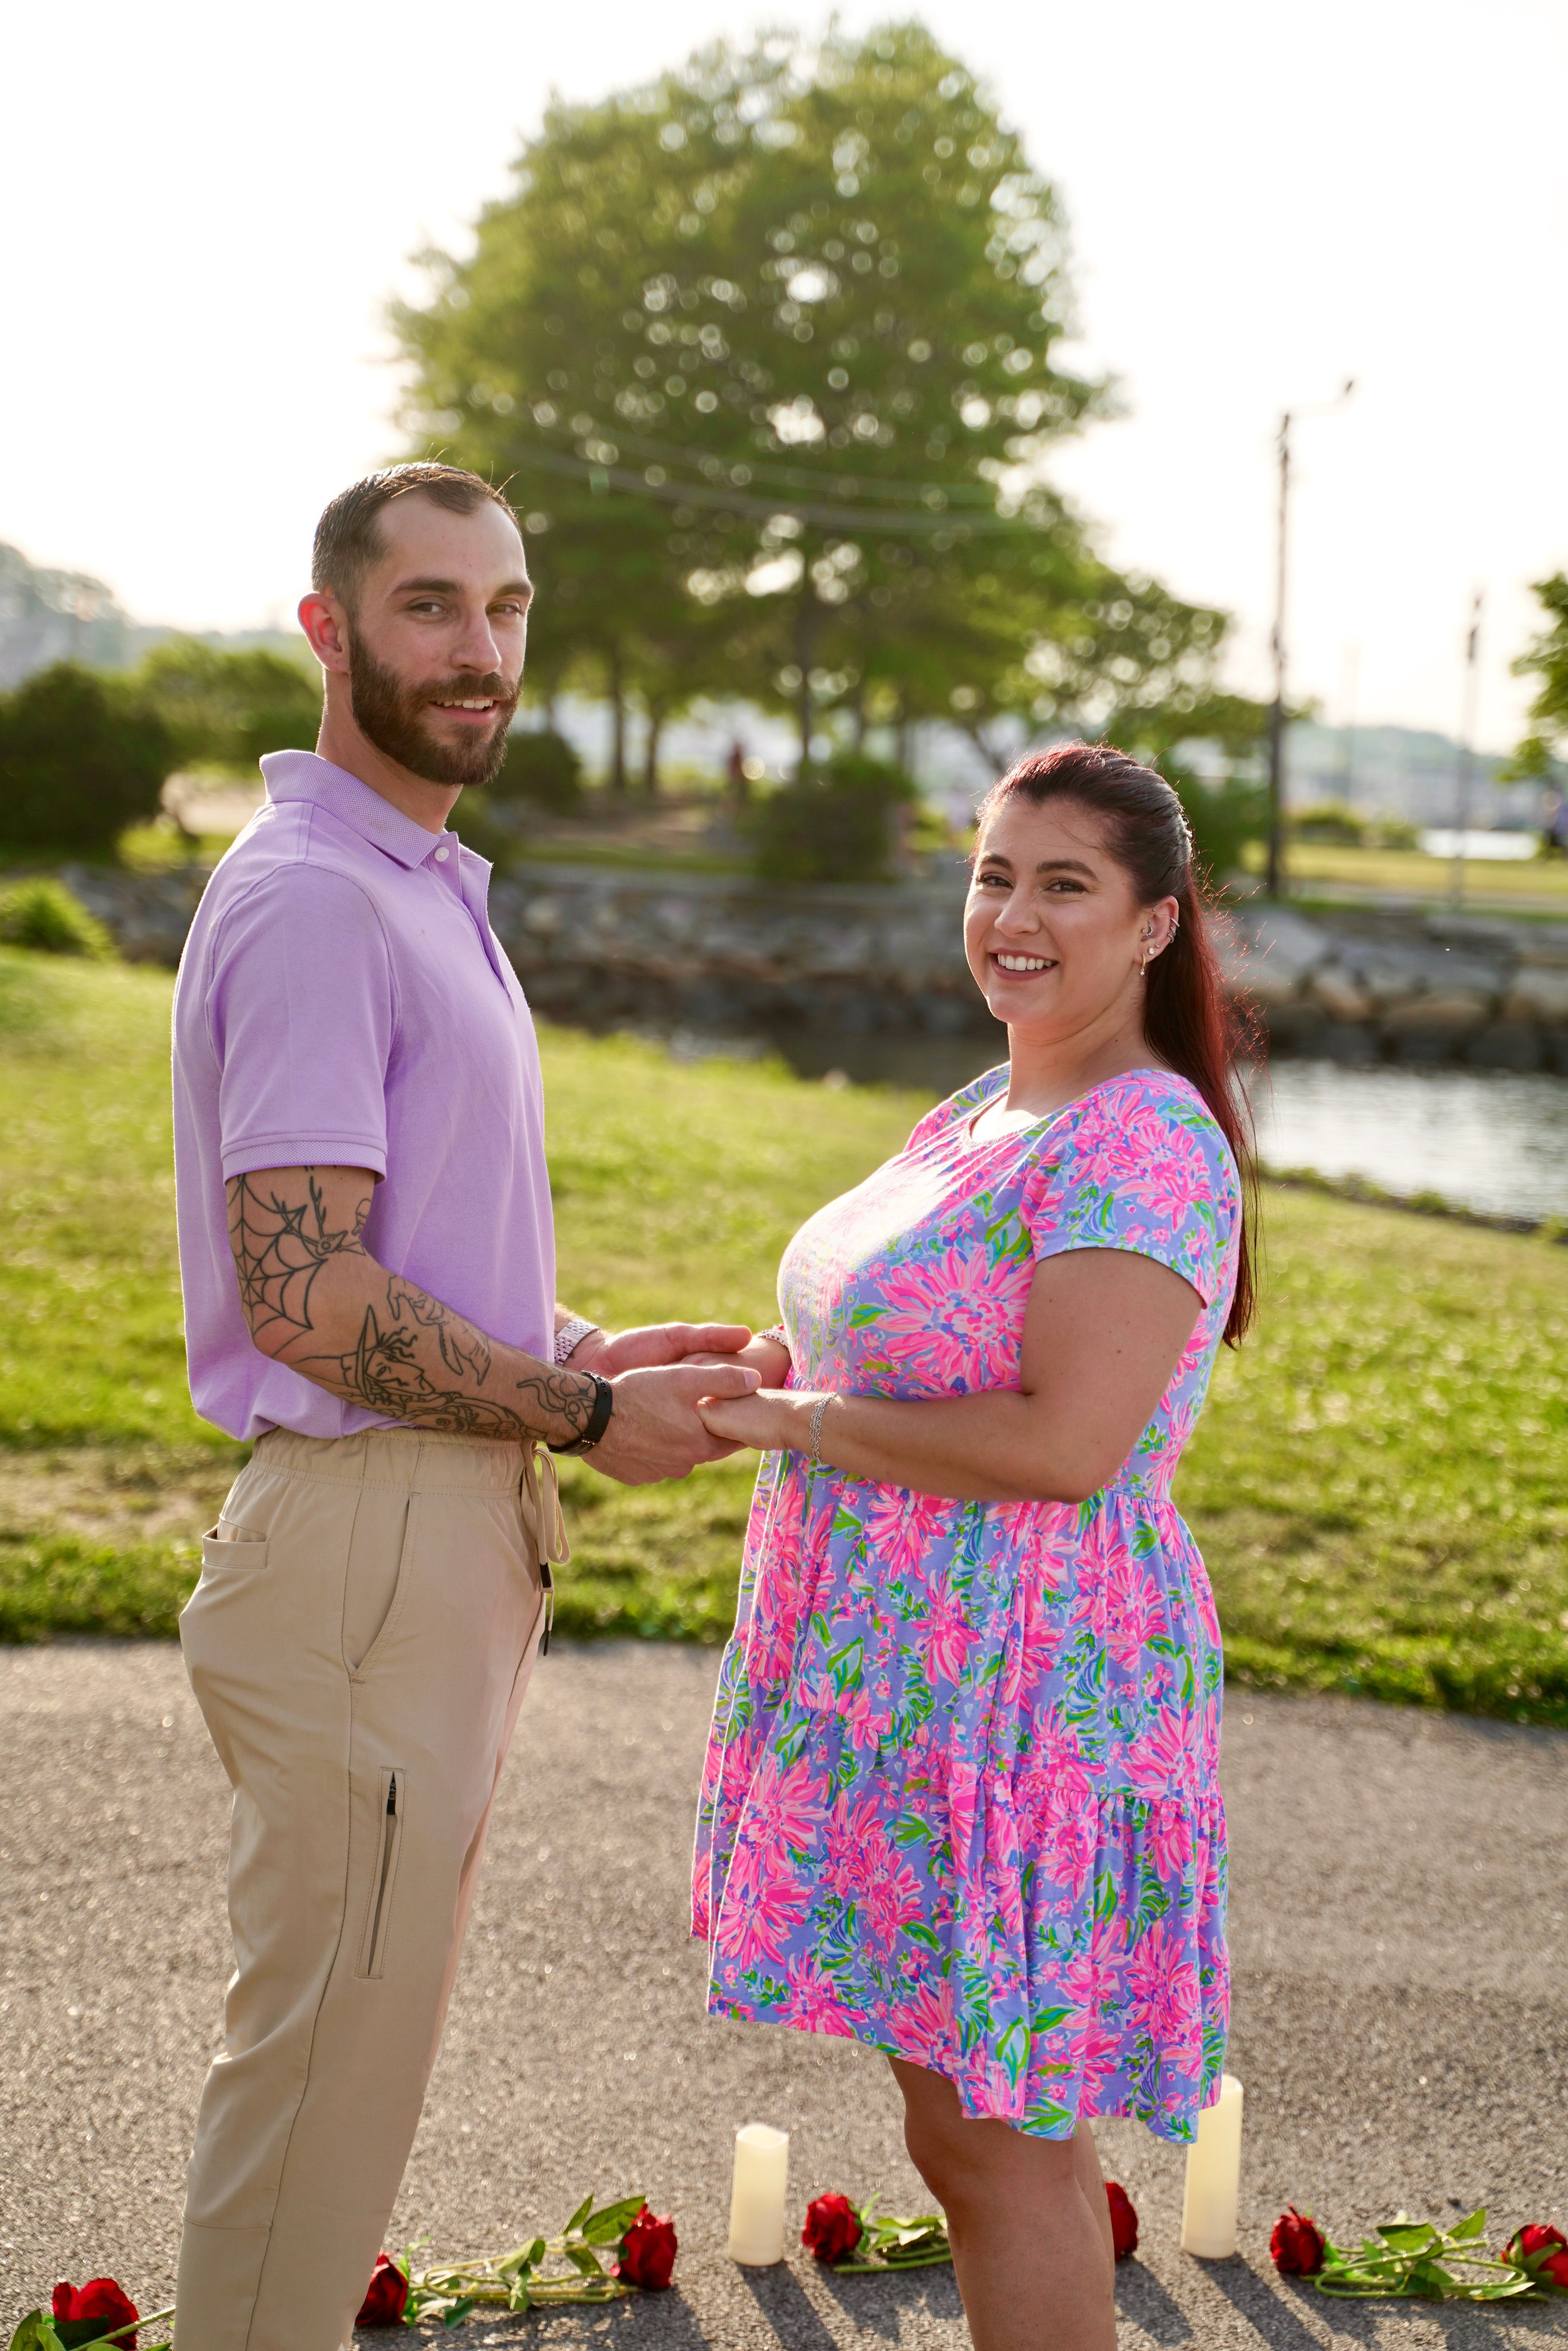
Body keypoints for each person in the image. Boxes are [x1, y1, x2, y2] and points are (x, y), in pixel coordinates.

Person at [168, 462, 760, 2351]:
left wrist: (586, 1353)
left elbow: (403, 1250)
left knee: (348, 2094)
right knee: (314, 2115)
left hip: (429, 1534)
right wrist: (578, 1419)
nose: (480, 650)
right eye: (430, 606)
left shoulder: (412, 882)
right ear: (331, 631)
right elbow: (312, 1297)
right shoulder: (323, 902)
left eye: (505, 608)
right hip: (368, 1552)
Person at [692, 741, 1256, 2351]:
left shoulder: (1140, 1141)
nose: (1013, 914)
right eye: (993, 875)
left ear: (1155, 924)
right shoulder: (994, 1104)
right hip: (913, 1682)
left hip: (1022, 1690)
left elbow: (1066, 1446)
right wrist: (759, 1372)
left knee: (1006, 2147)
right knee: (961, 2134)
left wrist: (801, 1430)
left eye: (1064, 883)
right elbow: (901, 1346)